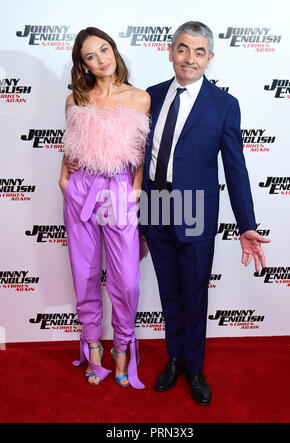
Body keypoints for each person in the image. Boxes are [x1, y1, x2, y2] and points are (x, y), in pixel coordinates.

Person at [140, 21, 270, 405]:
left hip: (195, 208)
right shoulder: (151, 95)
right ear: (170, 51)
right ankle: (174, 357)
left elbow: (236, 168)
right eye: (183, 49)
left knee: (194, 292)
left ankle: (194, 368)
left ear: (210, 58)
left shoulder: (224, 105)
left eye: (199, 52)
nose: (189, 58)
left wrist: (246, 224)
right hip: (155, 204)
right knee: (169, 290)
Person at [59, 27, 150, 389]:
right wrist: (64, 180)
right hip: (81, 190)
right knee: (84, 274)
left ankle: (123, 347)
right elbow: (70, 148)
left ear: (114, 49)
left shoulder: (140, 98)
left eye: (104, 48)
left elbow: (140, 150)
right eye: (90, 56)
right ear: (82, 65)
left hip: (119, 191)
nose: (101, 59)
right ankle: (94, 345)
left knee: (126, 280)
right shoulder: (76, 100)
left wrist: (137, 188)